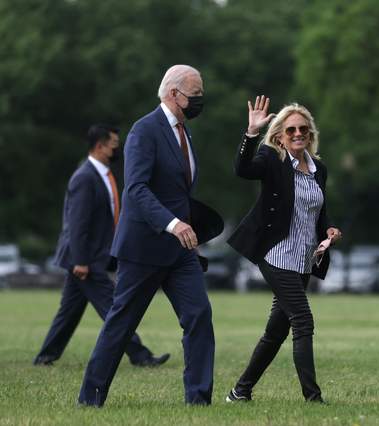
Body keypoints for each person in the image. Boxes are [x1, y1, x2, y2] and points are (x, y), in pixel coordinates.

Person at [78, 65, 221, 407]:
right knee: (121, 325)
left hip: (180, 252)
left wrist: (189, 229)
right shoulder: (144, 130)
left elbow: (178, 191)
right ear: (174, 94)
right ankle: (90, 398)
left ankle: (199, 399)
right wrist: (173, 223)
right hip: (144, 247)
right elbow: (137, 189)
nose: (199, 100)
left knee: (199, 316)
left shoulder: (184, 133)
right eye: (195, 94)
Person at [226, 96, 342, 403]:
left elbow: (319, 210)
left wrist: (329, 229)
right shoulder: (271, 160)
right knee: (303, 320)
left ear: (310, 133)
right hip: (275, 255)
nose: (298, 134)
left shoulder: (318, 169)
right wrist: (251, 133)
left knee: (276, 332)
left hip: (304, 259)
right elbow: (242, 169)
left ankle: (240, 391)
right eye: (291, 130)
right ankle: (313, 398)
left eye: (303, 129)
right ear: (280, 136)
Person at [33, 124, 169, 368]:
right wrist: (81, 260)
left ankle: (45, 357)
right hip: (86, 259)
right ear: (99, 146)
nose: (117, 150)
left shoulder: (103, 175)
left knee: (69, 311)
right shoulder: (85, 177)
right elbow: (77, 224)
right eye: (113, 145)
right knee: (115, 309)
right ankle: (141, 356)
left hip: (90, 257)